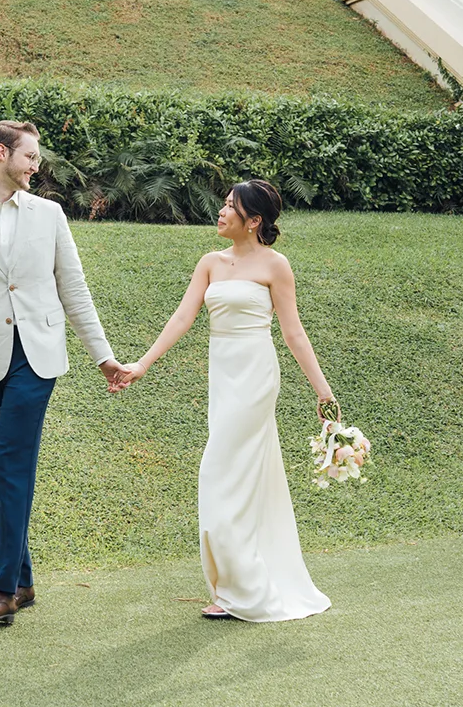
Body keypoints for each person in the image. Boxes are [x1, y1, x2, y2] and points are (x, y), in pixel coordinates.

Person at [0, 120, 128, 625]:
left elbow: (74, 290)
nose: (37, 166)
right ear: (1, 154)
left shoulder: (49, 214)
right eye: (31, 157)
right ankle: (25, 578)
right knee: (0, 469)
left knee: (12, 460)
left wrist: (103, 356)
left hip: (37, 357)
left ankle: (1, 589)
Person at [115, 179, 334, 622]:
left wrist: (323, 390)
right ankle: (233, 586)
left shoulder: (276, 266)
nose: (220, 212)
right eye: (222, 204)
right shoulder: (210, 263)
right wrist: (142, 364)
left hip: (255, 377)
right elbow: (183, 316)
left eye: (230, 207)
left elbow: (293, 332)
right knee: (233, 478)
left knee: (218, 472)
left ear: (253, 221)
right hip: (224, 377)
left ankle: (240, 590)